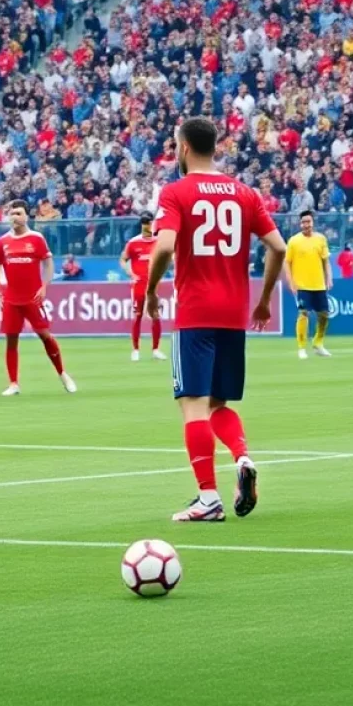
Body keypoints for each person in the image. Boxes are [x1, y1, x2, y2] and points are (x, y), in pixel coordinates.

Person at [145, 116, 286, 523]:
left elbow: (165, 247)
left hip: (195, 311)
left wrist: (151, 290)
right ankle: (242, 457)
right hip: (234, 312)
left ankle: (208, 497)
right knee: (218, 402)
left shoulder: (175, 192)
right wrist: (262, 302)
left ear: (184, 147)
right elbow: (278, 248)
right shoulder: (245, 193)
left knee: (191, 405)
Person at [0, 200, 75, 396]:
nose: (15, 217)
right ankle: (13, 383)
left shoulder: (36, 239)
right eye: (12, 214)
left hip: (32, 298)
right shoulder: (3, 242)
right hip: (12, 299)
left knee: (45, 335)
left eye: (19, 213)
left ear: (26, 216)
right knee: (11, 340)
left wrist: (44, 286)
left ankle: (63, 374)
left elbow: (48, 263)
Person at [283, 210, 332, 360]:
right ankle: (301, 348)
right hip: (302, 285)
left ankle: (318, 342)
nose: (306, 225)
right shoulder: (294, 241)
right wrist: (291, 282)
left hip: (319, 284)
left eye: (308, 222)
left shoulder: (321, 239)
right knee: (303, 313)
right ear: (300, 223)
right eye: (303, 222)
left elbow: (325, 261)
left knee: (324, 315)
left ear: (313, 223)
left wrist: (328, 278)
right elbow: (287, 262)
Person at [120, 211, 165, 362]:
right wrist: (130, 273)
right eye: (144, 222)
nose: (147, 225)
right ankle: (135, 349)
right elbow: (123, 259)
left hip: (153, 285)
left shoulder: (158, 242)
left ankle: (156, 349)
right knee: (137, 315)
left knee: (155, 316)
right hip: (138, 285)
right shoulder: (133, 242)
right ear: (141, 224)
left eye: (149, 222)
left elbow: (166, 258)